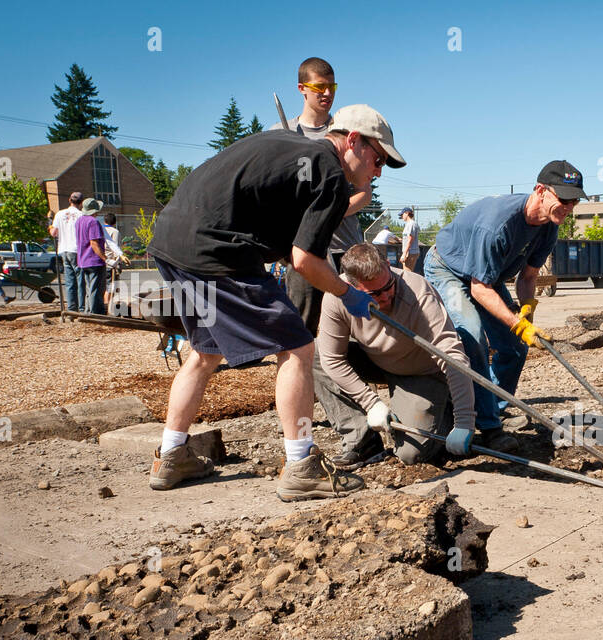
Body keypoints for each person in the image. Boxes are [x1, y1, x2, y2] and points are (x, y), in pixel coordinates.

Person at [145, 103, 396, 501]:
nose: (378, 170)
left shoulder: (289, 147)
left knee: (204, 353)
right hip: (217, 250)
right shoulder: (329, 172)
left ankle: (172, 456)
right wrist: (348, 294)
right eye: (378, 157)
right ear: (352, 140)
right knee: (298, 347)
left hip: (171, 240)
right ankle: (301, 465)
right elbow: (304, 261)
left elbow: (284, 242)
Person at [424, 160, 585, 451]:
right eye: (563, 199)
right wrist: (516, 324)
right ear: (540, 191)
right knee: (472, 338)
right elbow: (478, 288)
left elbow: (529, 276)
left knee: (514, 348)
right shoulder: (498, 225)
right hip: (449, 268)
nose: (568, 207)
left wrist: (527, 314)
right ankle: (489, 428)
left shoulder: (548, 226)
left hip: (487, 275)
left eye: (573, 201)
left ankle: (491, 408)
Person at [314, 243, 475, 467]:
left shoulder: (417, 290)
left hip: (421, 373)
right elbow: (332, 358)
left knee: (411, 454)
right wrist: (371, 403)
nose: (386, 296)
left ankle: (443, 409)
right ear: (351, 285)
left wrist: (464, 422)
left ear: (388, 265)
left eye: (388, 286)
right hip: (375, 361)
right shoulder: (337, 297)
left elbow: (452, 355)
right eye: (374, 294)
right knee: (315, 352)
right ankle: (362, 441)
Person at [272, 57, 395, 334]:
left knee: (354, 321)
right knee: (304, 325)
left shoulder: (345, 132)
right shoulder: (282, 134)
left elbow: (364, 194)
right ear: (302, 88)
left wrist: (327, 212)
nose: (327, 93)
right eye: (319, 87)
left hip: (344, 245)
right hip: (303, 248)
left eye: (332, 87)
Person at [49, 191, 85, 310]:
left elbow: (54, 233)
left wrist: (50, 224)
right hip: (77, 250)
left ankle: (71, 309)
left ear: (69, 200)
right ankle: (81, 308)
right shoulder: (81, 215)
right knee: (80, 280)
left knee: (69, 281)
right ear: (81, 203)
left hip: (64, 249)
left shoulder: (59, 214)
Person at [74, 198, 107, 314]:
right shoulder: (93, 222)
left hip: (82, 260)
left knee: (89, 288)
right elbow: (94, 243)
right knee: (96, 289)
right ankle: (95, 312)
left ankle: (88, 310)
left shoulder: (79, 221)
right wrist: (104, 257)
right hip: (94, 260)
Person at [101, 212, 128, 308]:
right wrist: (118, 263)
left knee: (105, 286)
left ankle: (106, 305)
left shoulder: (100, 230)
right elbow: (115, 247)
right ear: (114, 222)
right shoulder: (114, 232)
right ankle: (108, 306)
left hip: (102, 261)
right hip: (111, 263)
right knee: (111, 287)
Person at [398, 207, 420, 271]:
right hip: (408, 252)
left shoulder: (411, 224)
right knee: (406, 272)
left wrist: (404, 253)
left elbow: (410, 239)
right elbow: (408, 238)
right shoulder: (408, 224)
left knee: (407, 273)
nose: (402, 217)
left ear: (407, 213)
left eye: (402, 214)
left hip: (411, 252)